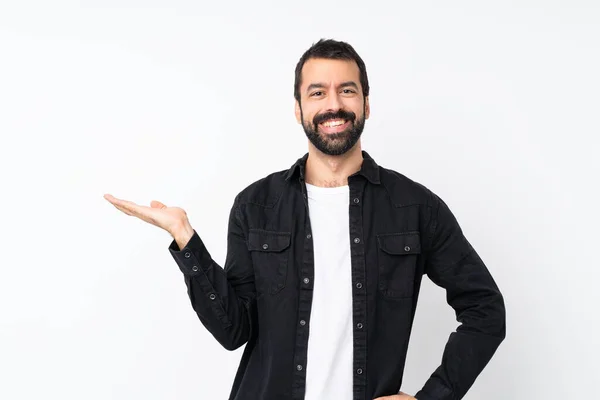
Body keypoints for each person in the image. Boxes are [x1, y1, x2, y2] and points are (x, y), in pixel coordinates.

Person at [104, 39, 506, 400]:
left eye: (346, 90)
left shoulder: (415, 207)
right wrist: (185, 237)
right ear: (298, 109)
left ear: (366, 103)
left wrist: (433, 398)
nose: (333, 104)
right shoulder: (256, 205)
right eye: (318, 92)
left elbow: (486, 309)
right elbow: (233, 331)